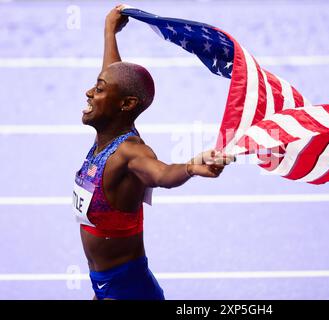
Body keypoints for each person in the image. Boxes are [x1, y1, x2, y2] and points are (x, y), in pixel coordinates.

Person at [72, 4, 234, 300]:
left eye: (98, 89)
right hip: (106, 285)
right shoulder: (108, 132)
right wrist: (110, 31)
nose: (89, 93)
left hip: (129, 291)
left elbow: (160, 174)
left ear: (126, 104)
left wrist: (190, 167)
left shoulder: (130, 152)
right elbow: (114, 80)